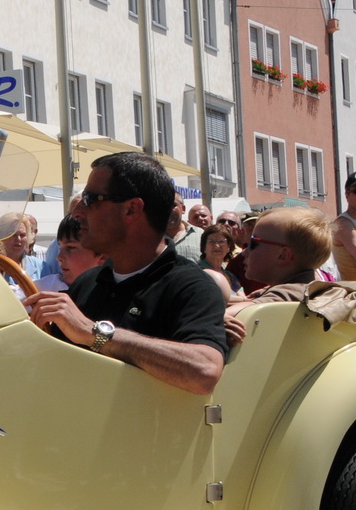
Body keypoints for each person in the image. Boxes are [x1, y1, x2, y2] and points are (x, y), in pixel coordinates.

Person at [23, 152, 227, 395]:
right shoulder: (88, 282)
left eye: (91, 199)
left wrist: (95, 333)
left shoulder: (192, 286)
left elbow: (204, 372)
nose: (77, 213)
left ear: (132, 209)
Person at [34, 214, 102, 293]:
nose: (59, 257)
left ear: (103, 256)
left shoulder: (112, 292)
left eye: (71, 247)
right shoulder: (41, 289)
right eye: (60, 248)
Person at [199, 224, 237, 298]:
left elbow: (240, 292)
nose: (216, 246)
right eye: (211, 242)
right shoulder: (198, 272)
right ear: (204, 247)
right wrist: (244, 299)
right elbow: (219, 297)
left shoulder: (230, 276)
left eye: (221, 242)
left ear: (228, 247)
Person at [166, 194, 202, 262]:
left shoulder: (200, 235)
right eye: (163, 206)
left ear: (183, 209)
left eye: (173, 205)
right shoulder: (151, 237)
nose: (167, 210)